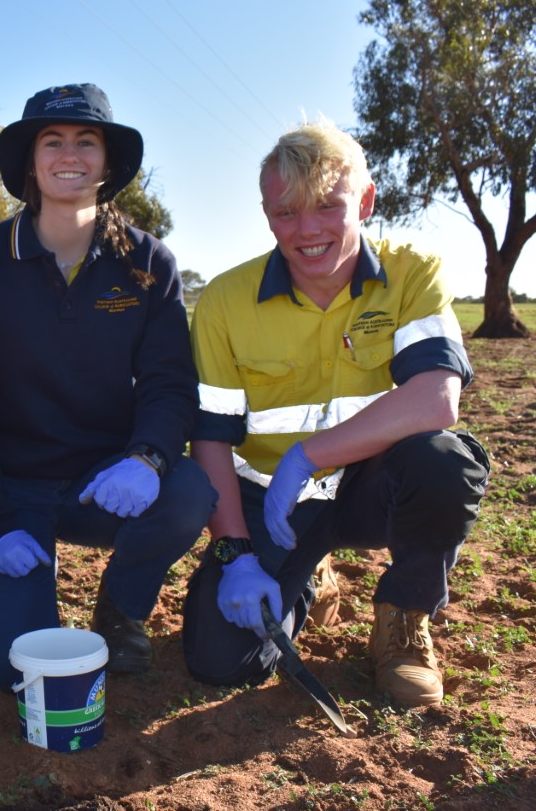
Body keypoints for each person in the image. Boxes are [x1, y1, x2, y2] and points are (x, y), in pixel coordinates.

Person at [182, 119, 490, 707]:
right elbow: (211, 439)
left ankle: (403, 622)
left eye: (327, 206)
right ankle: (308, 579)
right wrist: (238, 556)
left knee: (444, 462)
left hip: (374, 486)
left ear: (366, 201)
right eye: (286, 213)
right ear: (267, 214)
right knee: (221, 661)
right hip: (271, 501)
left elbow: (436, 397)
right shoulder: (224, 300)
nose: (307, 230)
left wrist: (310, 455)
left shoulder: (411, 273)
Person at [0, 84, 215, 690]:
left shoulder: (147, 262)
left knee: (188, 487)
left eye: (86, 141)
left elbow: (170, 385)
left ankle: (121, 608)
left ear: (107, 161)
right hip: (9, 488)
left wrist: (147, 458)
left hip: (104, 482)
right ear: (30, 162)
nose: (70, 154)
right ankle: (19, 561)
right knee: (14, 670)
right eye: (52, 140)